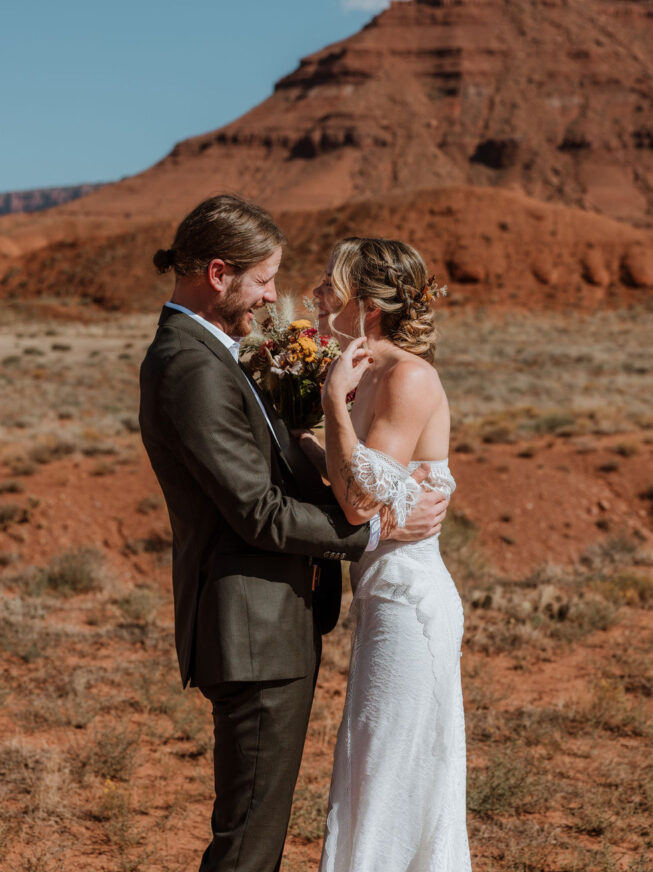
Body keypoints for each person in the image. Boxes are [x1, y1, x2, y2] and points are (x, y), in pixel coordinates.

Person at [138, 195, 449, 872]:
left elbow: (287, 459)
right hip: (251, 627)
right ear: (218, 273)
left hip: (274, 620)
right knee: (249, 843)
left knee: (260, 830)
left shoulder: (218, 353)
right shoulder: (190, 364)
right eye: (263, 280)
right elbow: (258, 512)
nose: (273, 297)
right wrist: (372, 537)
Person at [303, 236, 471, 872]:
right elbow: (358, 488)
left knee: (389, 776)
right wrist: (304, 436)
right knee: (372, 767)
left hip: (409, 602)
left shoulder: (407, 376)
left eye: (329, 284)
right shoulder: (369, 374)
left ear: (366, 305)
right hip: (380, 596)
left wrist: (330, 411)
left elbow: (354, 506)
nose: (318, 294)